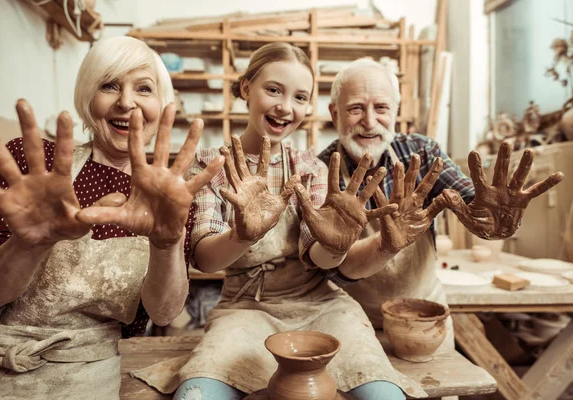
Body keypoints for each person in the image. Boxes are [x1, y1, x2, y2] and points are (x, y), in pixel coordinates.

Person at [172, 43, 425, 400]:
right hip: (244, 309)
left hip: (320, 306)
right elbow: (205, 259)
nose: (285, 107)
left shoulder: (311, 168)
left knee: (384, 394)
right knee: (195, 393)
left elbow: (317, 257)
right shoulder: (211, 166)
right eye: (273, 89)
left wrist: (337, 244)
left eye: (300, 97)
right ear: (246, 88)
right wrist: (243, 235)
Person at [0, 36, 223, 399]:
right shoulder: (39, 167)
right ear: (87, 97)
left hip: (90, 374)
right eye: (109, 85)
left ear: (161, 103)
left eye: (143, 88)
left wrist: (166, 242)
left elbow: (165, 312)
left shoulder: (167, 190)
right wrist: (30, 244)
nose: (126, 101)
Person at [301, 58, 564, 351]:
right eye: (356, 108)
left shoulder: (422, 154)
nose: (370, 121)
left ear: (396, 112)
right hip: (348, 322)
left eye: (381, 108)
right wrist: (385, 244)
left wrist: (493, 221)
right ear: (334, 113)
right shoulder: (319, 170)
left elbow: (474, 207)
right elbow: (330, 269)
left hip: (426, 317)